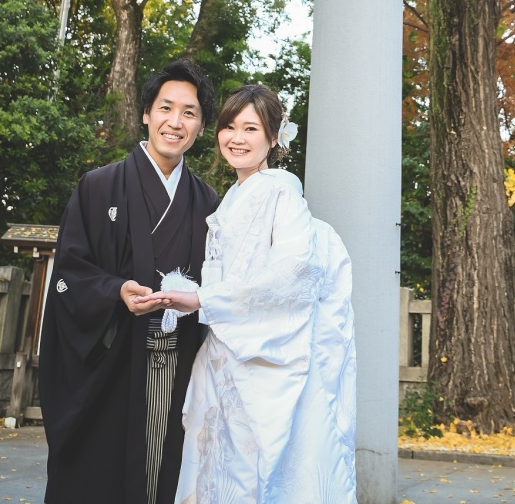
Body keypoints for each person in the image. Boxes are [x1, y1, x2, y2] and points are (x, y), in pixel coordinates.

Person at [141, 83, 357, 504]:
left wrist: (205, 300)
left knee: (251, 472)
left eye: (251, 129)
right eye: (229, 127)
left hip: (262, 354)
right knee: (219, 466)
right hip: (226, 352)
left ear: (274, 138)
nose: (236, 139)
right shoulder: (232, 198)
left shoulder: (279, 190)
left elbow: (295, 272)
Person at [39, 58, 220, 504]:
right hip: (111, 366)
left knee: (163, 474)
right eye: (165, 108)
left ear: (200, 127)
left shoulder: (210, 202)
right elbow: (69, 273)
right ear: (146, 113)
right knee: (98, 477)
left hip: (177, 368)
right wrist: (115, 290)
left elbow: (223, 287)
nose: (175, 122)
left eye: (189, 113)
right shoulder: (98, 187)